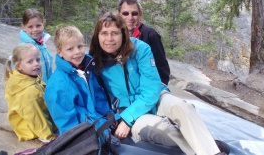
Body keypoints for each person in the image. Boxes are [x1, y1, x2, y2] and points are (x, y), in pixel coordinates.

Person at [89, 12, 229, 155]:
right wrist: (120, 119)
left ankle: (211, 151)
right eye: (104, 33)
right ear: (97, 36)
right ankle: (208, 145)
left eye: (115, 33)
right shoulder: (95, 61)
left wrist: (127, 119)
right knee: (161, 130)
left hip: (155, 98)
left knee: (180, 107)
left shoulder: (140, 49)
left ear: (123, 34)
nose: (109, 39)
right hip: (126, 109)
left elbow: (151, 89)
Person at [44, 25, 121, 151]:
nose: (77, 52)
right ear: (60, 52)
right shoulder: (58, 85)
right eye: (70, 49)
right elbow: (67, 123)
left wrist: (110, 116)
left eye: (80, 46)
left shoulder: (87, 69)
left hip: (100, 124)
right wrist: (87, 141)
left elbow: (99, 98)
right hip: (85, 135)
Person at [3, 44, 56, 142]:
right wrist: (48, 136)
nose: (36, 64)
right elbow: (35, 116)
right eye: (30, 61)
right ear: (19, 66)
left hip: (31, 120)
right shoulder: (29, 92)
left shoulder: (24, 76)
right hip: (30, 129)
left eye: (38, 60)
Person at [117, 0, 170, 85]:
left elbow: (162, 67)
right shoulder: (113, 35)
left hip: (144, 89)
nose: (130, 18)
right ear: (119, 14)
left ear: (140, 15)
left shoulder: (150, 35)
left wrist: (159, 91)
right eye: (125, 13)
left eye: (134, 13)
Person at [20, 8, 53, 83]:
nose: (35, 29)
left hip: (45, 88)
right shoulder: (23, 50)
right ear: (24, 27)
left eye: (38, 26)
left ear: (43, 25)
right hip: (33, 91)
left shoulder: (41, 43)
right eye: (30, 27)